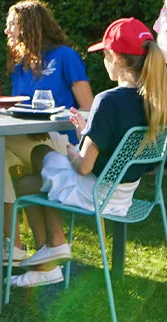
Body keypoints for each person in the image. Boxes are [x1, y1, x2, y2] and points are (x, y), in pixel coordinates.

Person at [10, 18, 167, 286]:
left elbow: (83, 167)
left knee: (40, 153)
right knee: (26, 184)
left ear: (114, 57)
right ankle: (49, 258)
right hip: (122, 197)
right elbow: (121, 148)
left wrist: (73, 151)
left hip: (93, 193)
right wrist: (88, 133)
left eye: (105, 54)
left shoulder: (108, 101)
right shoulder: (157, 100)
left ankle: (54, 248)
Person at [0, 0, 94, 261]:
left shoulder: (65, 56)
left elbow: (87, 109)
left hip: (62, 142)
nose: (7, 31)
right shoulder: (21, 62)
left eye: (11, 24)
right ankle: (13, 244)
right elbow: (21, 108)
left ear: (30, 25)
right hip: (28, 138)